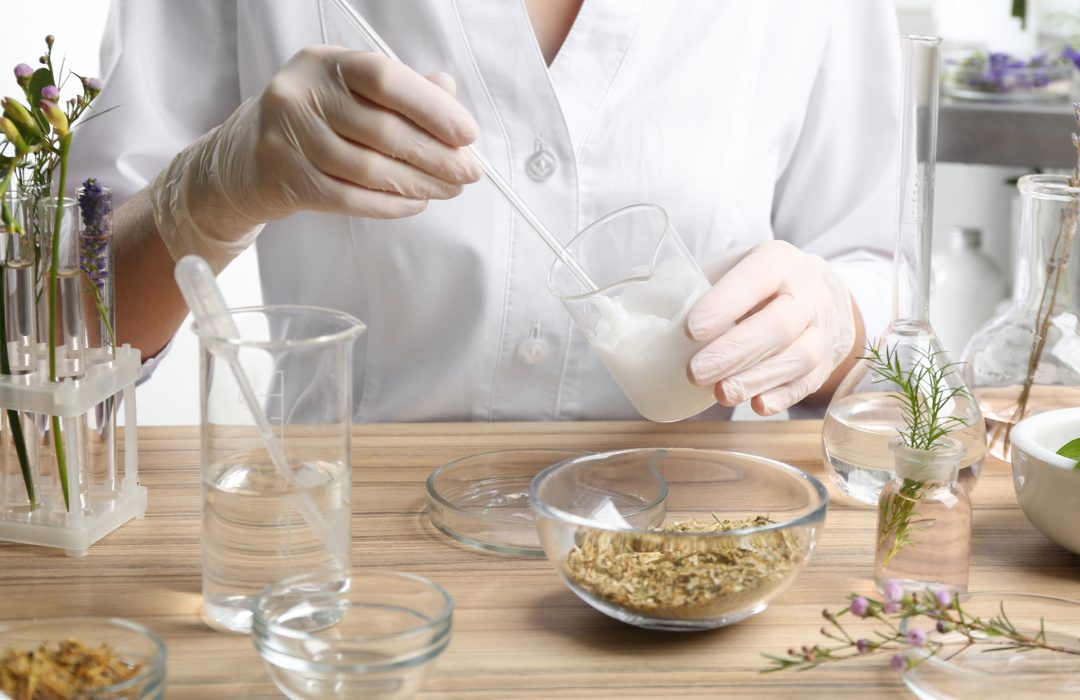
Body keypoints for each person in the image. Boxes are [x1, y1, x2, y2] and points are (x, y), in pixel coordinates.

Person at [69, 0, 900, 422]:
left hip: (718, 544)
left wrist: (831, 318)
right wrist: (209, 195)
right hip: (357, 573)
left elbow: (877, 271)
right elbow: (60, 341)